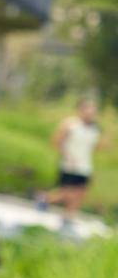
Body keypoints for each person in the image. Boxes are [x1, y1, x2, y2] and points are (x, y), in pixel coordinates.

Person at [37, 96, 106, 226]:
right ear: (81, 109)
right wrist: (67, 156)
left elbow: (94, 147)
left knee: (81, 193)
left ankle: (69, 217)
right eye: (89, 109)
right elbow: (56, 142)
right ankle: (45, 199)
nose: (91, 112)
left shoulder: (95, 128)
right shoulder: (70, 124)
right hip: (69, 164)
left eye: (93, 110)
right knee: (67, 193)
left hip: (85, 165)